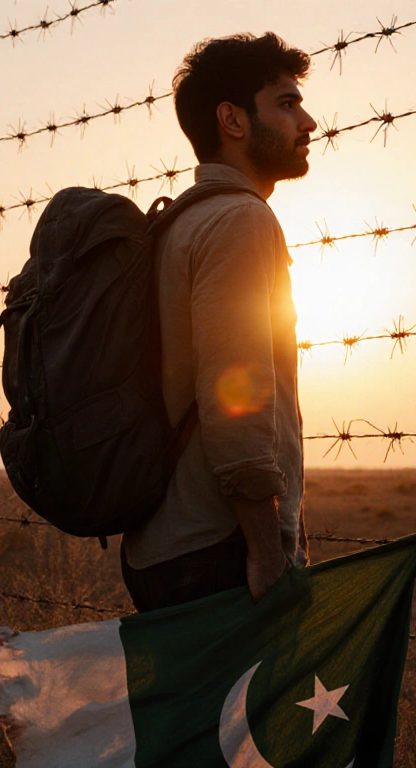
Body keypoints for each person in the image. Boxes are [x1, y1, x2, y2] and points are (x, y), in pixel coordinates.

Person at [120, 32, 317, 612]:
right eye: (285, 104)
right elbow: (236, 391)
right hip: (217, 549)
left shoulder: (178, 224)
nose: (307, 122)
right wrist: (266, 548)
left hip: (164, 541)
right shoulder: (239, 221)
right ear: (232, 120)